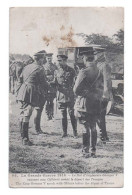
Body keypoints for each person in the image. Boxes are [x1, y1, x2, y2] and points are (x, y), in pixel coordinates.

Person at [73, 47, 104, 157]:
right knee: (93, 127)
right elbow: (101, 89)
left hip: (84, 104)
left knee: (85, 127)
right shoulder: (99, 71)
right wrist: (95, 96)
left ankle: (85, 151)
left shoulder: (84, 71)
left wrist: (85, 93)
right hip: (95, 103)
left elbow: (76, 90)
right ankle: (93, 151)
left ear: (85, 58)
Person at [16, 50, 48, 145]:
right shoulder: (40, 69)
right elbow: (43, 83)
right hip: (31, 92)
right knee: (27, 114)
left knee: (23, 114)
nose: (44, 60)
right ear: (40, 59)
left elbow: (20, 79)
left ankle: (23, 137)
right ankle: (25, 139)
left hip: (23, 91)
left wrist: (18, 92)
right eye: (43, 58)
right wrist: (49, 87)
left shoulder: (27, 66)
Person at [52, 53, 77, 137]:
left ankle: (75, 132)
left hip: (69, 95)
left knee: (71, 114)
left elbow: (75, 83)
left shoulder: (72, 70)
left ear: (65, 61)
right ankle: (64, 132)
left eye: (60, 61)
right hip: (61, 95)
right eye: (58, 61)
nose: (58, 62)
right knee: (63, 115)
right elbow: (55, 82)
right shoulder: (56, 71)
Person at [43, 53, 57, 120]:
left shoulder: (54, 66)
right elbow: (43, 76)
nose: (49, 59)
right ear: (46, 58)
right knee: (47, 101)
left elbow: (56, 75)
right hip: (46, 86)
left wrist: (54, 80)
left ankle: (51, 114)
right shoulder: (43, 66)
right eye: (48, 58)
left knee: (51, 101)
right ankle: (47, 113)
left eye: (50, 58)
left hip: (52, 87)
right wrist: (46, 82)